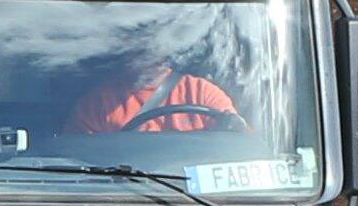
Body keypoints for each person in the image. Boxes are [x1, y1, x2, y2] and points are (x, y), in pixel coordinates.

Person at [65, 33, 244, 136]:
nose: (149, 58)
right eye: (141, 49)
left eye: (156, 48)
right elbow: (78, 163)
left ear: (170, 54)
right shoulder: (97, 105)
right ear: (126, 53)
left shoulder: (202, 94)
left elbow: (237, 146)